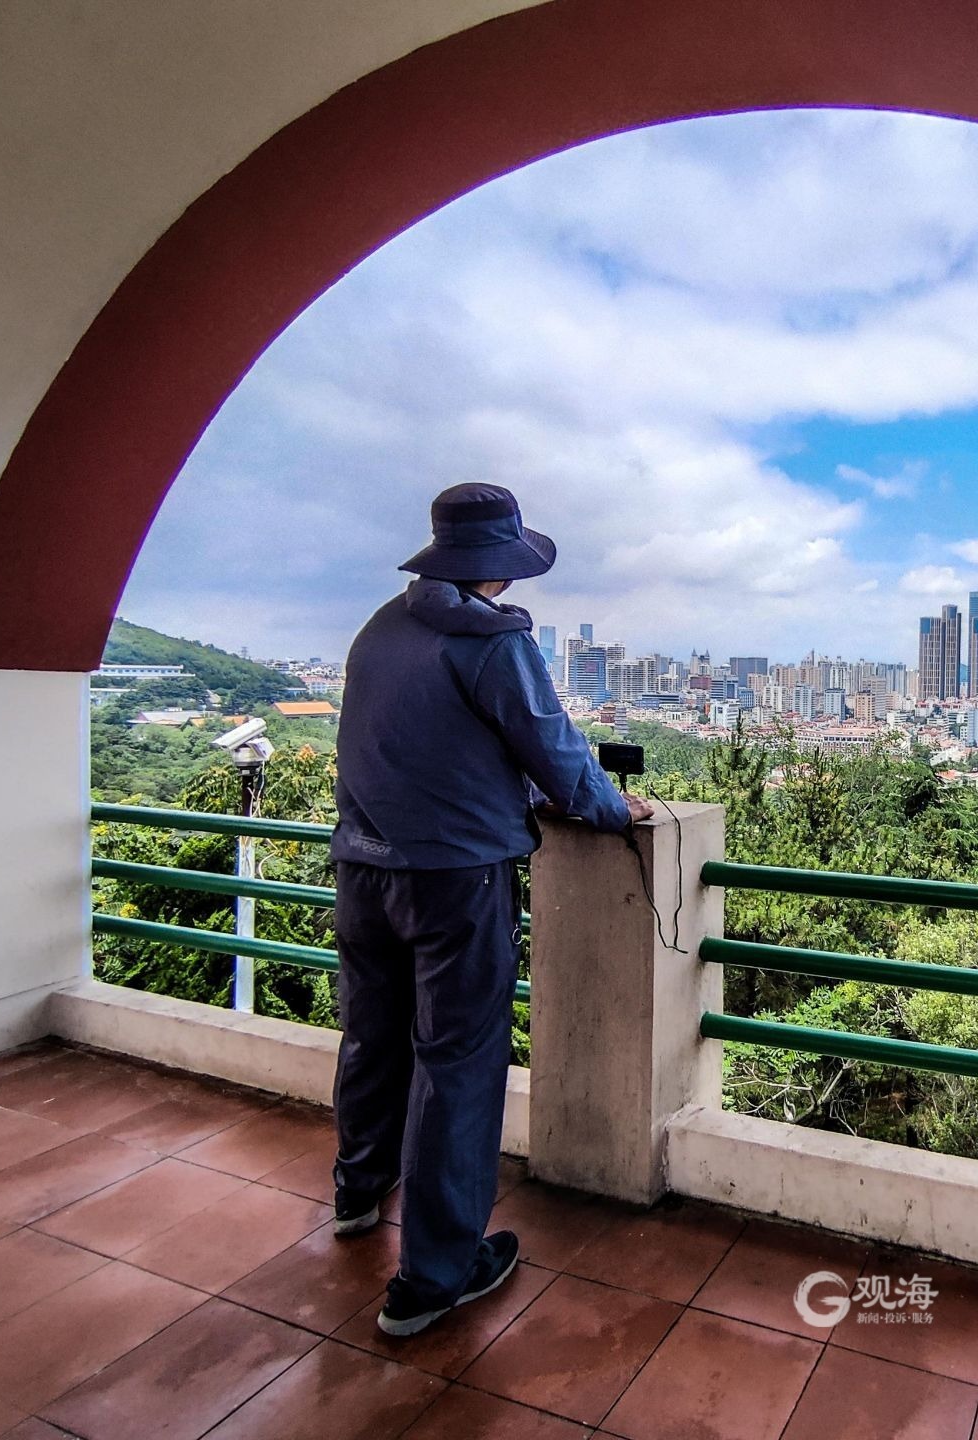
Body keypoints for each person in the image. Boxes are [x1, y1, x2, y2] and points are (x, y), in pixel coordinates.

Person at [330, 482, 652, 1338]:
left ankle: (358, 1192)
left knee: (373, 1032)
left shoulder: (378, 630)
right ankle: (435, 1274)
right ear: (503, 567)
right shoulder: (493, 642)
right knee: (457, 1061)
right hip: (456, 876)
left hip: (362, 867)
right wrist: (617, 810)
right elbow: (554, 751)